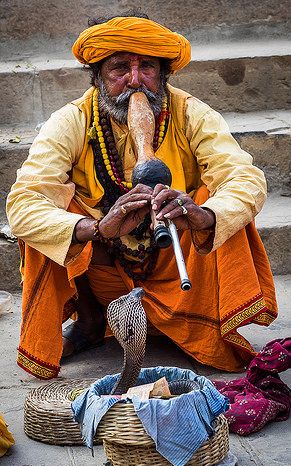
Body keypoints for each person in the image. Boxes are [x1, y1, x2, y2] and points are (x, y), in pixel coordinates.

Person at [6, 13, 278, 380]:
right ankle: (91, 321)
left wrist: (203, 215)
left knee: (222, 200)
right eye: (119, 68)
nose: (134, 80)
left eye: (147, 67)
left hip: (174, 257)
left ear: (163, 73)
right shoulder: (71, 120)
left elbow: (245, 177)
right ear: (98, 76)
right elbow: (22, 203)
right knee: (48, 215)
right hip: (105, 265)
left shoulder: (189, 112)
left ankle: (195, 328)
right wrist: (96, 227)